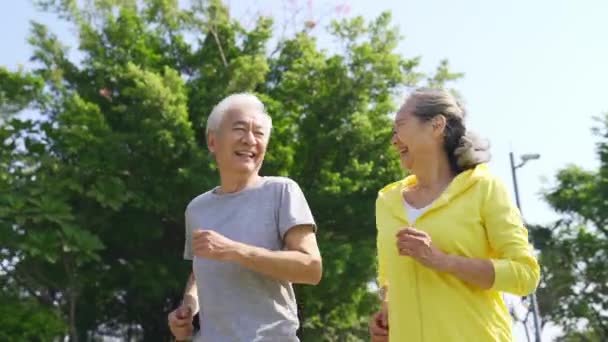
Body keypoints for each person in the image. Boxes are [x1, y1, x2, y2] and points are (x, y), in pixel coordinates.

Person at [369, 89, 540, 342]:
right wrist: (387, 314)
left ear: (436, 125)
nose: (394, 140)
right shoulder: (387, 201)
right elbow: (388, 278)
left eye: (400, 127)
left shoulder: (484, 187)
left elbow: (525, 275)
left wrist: (443, 261)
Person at [167, 93, 322, 341]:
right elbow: (199, 270)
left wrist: (236, 251)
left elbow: (311, 268)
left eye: (259, 133)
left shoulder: (282, 191)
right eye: (239, 129)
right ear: (212, 141)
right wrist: (187, 306)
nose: (250, 140)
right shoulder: (197, 209)